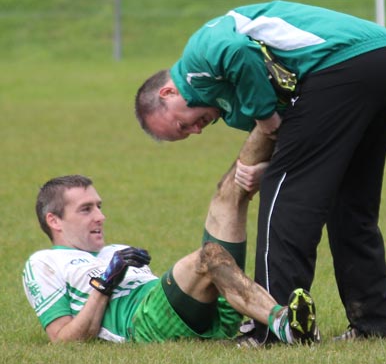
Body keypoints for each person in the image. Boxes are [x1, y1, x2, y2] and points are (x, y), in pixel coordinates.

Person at [134, 0, 386, 344]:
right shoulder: (228, 102)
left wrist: (266, 122)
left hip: (341, 67)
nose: (196, 131)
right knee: (350, 205)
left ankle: (273, 329)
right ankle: (374, 326)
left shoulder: (197, 58)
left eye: (182, 124)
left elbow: (237, 50)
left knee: (284, 200)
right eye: (187, 135)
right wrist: (271, 165)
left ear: (168, 92)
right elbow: (308, 142)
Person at [22, 127, 319, 346]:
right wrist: (104, 284)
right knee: (208, 256)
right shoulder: (44, 262)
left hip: (184, 307)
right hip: (144, 320)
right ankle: (285, 324)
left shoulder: (116, 249)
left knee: (229, 195)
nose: (100, 216)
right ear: (54, 220)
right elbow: (63, 341)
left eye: (98, 206)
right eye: (86, 209)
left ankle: (270, 117)